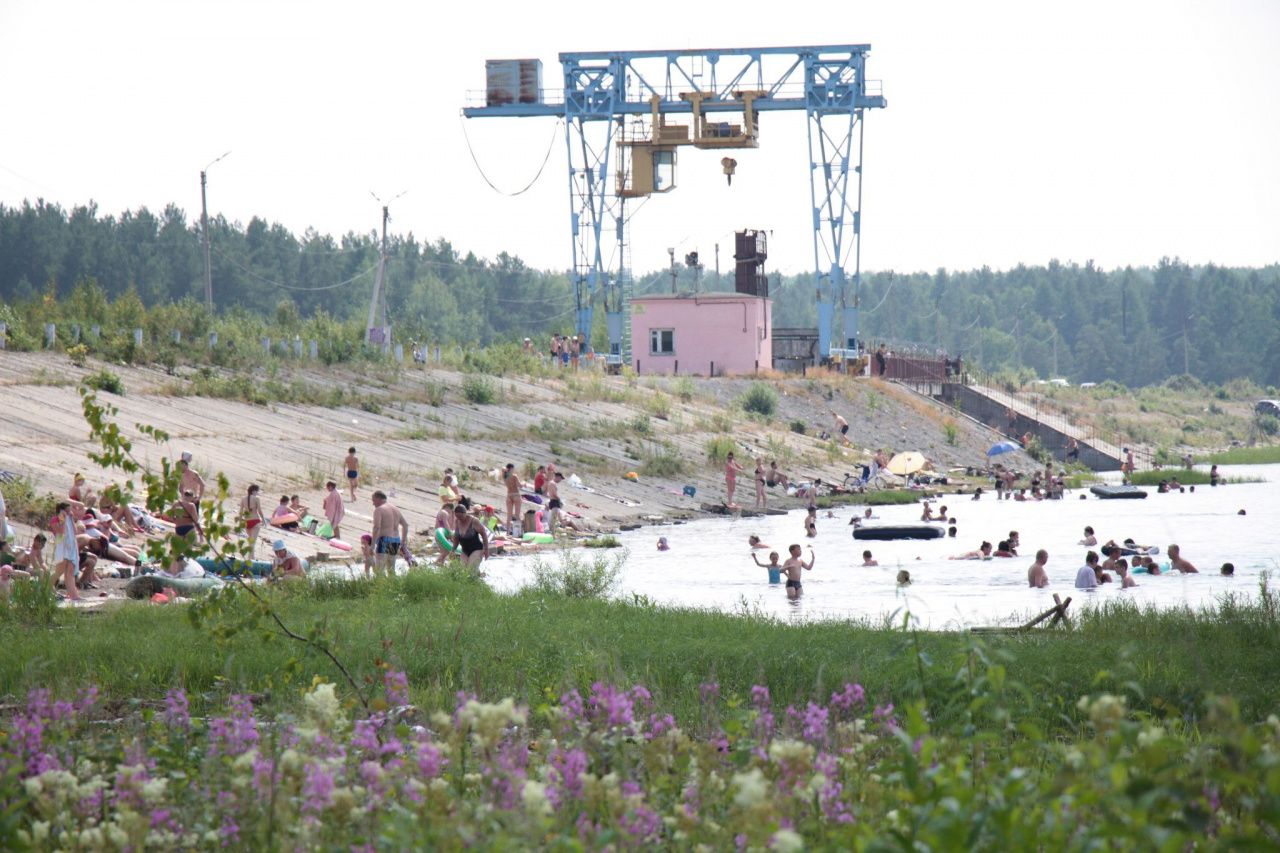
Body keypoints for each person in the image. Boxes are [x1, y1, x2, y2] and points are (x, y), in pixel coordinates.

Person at [370, 490, 408, 577]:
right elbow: (405, 525)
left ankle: (380, 588)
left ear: (379, 498)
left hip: (384, 540)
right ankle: (392, 588)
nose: (373, 503)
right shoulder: (395, 509)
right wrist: (403, 541)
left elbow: (376, 528)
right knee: (391, 570)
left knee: (379, 569)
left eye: (373, 500)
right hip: (395, 540)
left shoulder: (379, 510)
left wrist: (372, 546)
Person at [51, 501, 82, 601]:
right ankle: (45, 587)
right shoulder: (55, 520)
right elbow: (61, 532)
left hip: (71, 548)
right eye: (68, 510)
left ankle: (74, 595)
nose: (70, 512)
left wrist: (72, 519)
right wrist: (63, 519)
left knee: (70, 572)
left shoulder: (69, 519)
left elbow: (75, 531)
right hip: (62, 548)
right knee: (59, 571)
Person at [450, 504, 490, 570]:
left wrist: (486, 550)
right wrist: (453, 550)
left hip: (476, 549)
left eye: (460, 517)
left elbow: (484, 534)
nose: (459, 519)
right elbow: (456, 537)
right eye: (457, 517)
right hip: (465, 550)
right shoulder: (457, 521)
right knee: (463, 572)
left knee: (470, 570)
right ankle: (479, 575)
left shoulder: (474, 521)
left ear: (465, 513)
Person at [240, 484, 265, 552]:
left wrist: (240, 522)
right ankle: (251, 559)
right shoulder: (256, 499)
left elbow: (241, 512)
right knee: (253, 542)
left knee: (250, 541)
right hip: (255, 521)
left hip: (247, 522)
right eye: (257, 491)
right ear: (254, 491)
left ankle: (250, 558)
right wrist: (263, 520)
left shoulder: (243, 499)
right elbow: (259, 510)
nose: (257, 493)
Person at [503, 463, 522, 532]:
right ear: (511, 468)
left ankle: (508, 531)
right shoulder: (514, 476)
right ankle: (518, 531)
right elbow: (519, 485)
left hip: (509, 495)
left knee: (509, 515)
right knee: (517, 515)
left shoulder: (505, 476)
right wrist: (523, 484)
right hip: (516, 494)